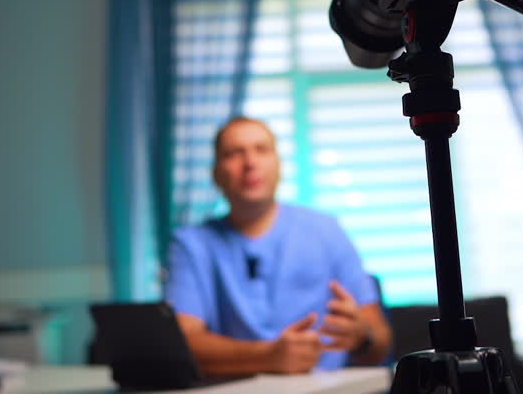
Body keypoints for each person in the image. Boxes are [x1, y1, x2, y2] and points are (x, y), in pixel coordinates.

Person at [165, 117, 393, 376]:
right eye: (234, 153)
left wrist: (362, 337)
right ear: (216, 173)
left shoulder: (327, 231)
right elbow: (183, 344)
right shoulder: (191, 244)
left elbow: (380, 342)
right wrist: (267, 357)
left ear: (279, 165)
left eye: (262, 150)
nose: (250, 163)